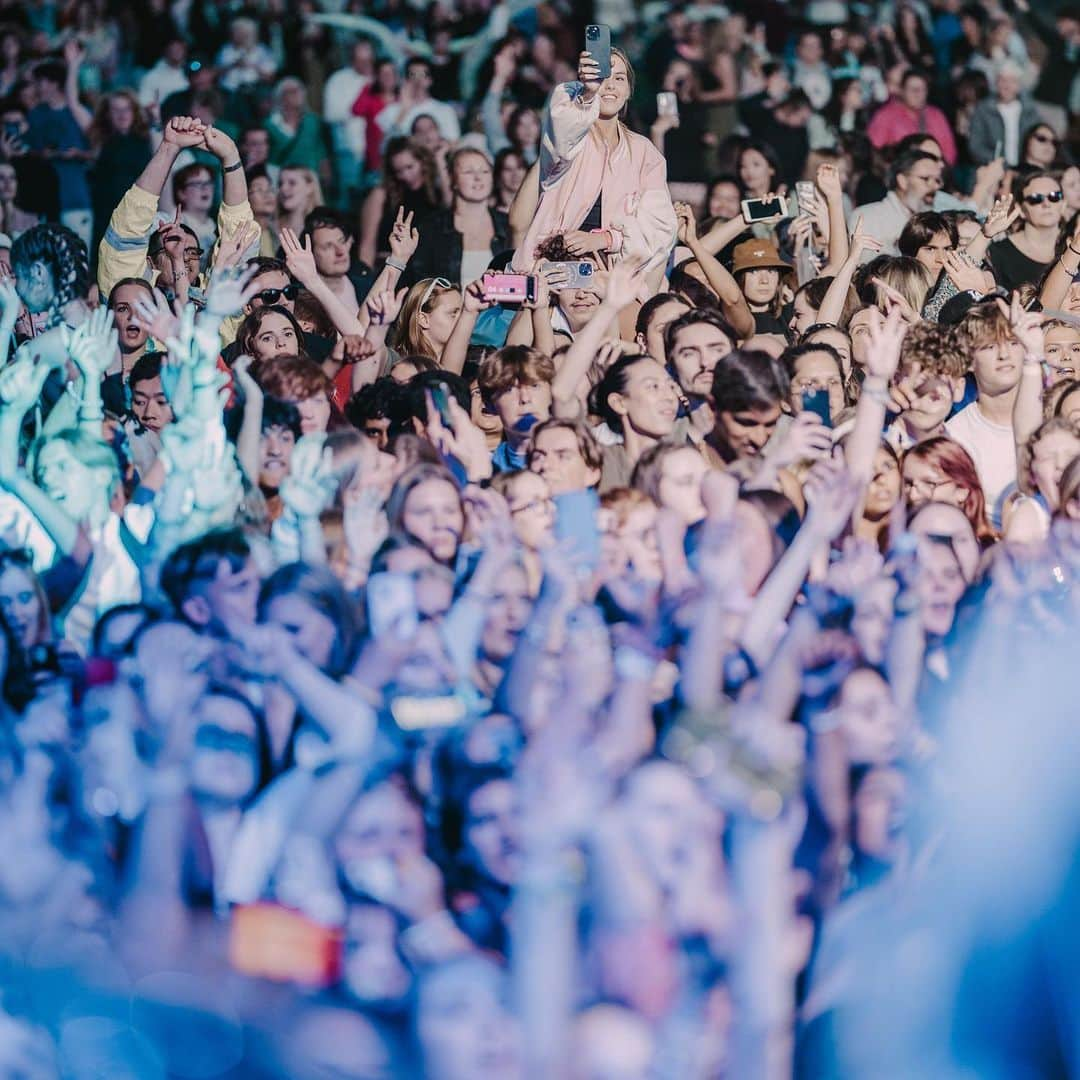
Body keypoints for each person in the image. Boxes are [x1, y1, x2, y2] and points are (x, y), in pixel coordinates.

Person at [511, 47, 677, 289]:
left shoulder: (644, 152)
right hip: (550, 271)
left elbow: (661, 225)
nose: (609, 85)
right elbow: (563, 128)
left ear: (629, 91)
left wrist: (604, 239)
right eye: (603, 77)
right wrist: (587, 93)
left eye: (619, 78)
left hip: (615, 279)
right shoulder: (570, 139)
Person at [850, 148, 944, 258]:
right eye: (925, 179)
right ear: (902, 181)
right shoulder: (867, 218)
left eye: (937, 180)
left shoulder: (940, 221)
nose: (934, 186)